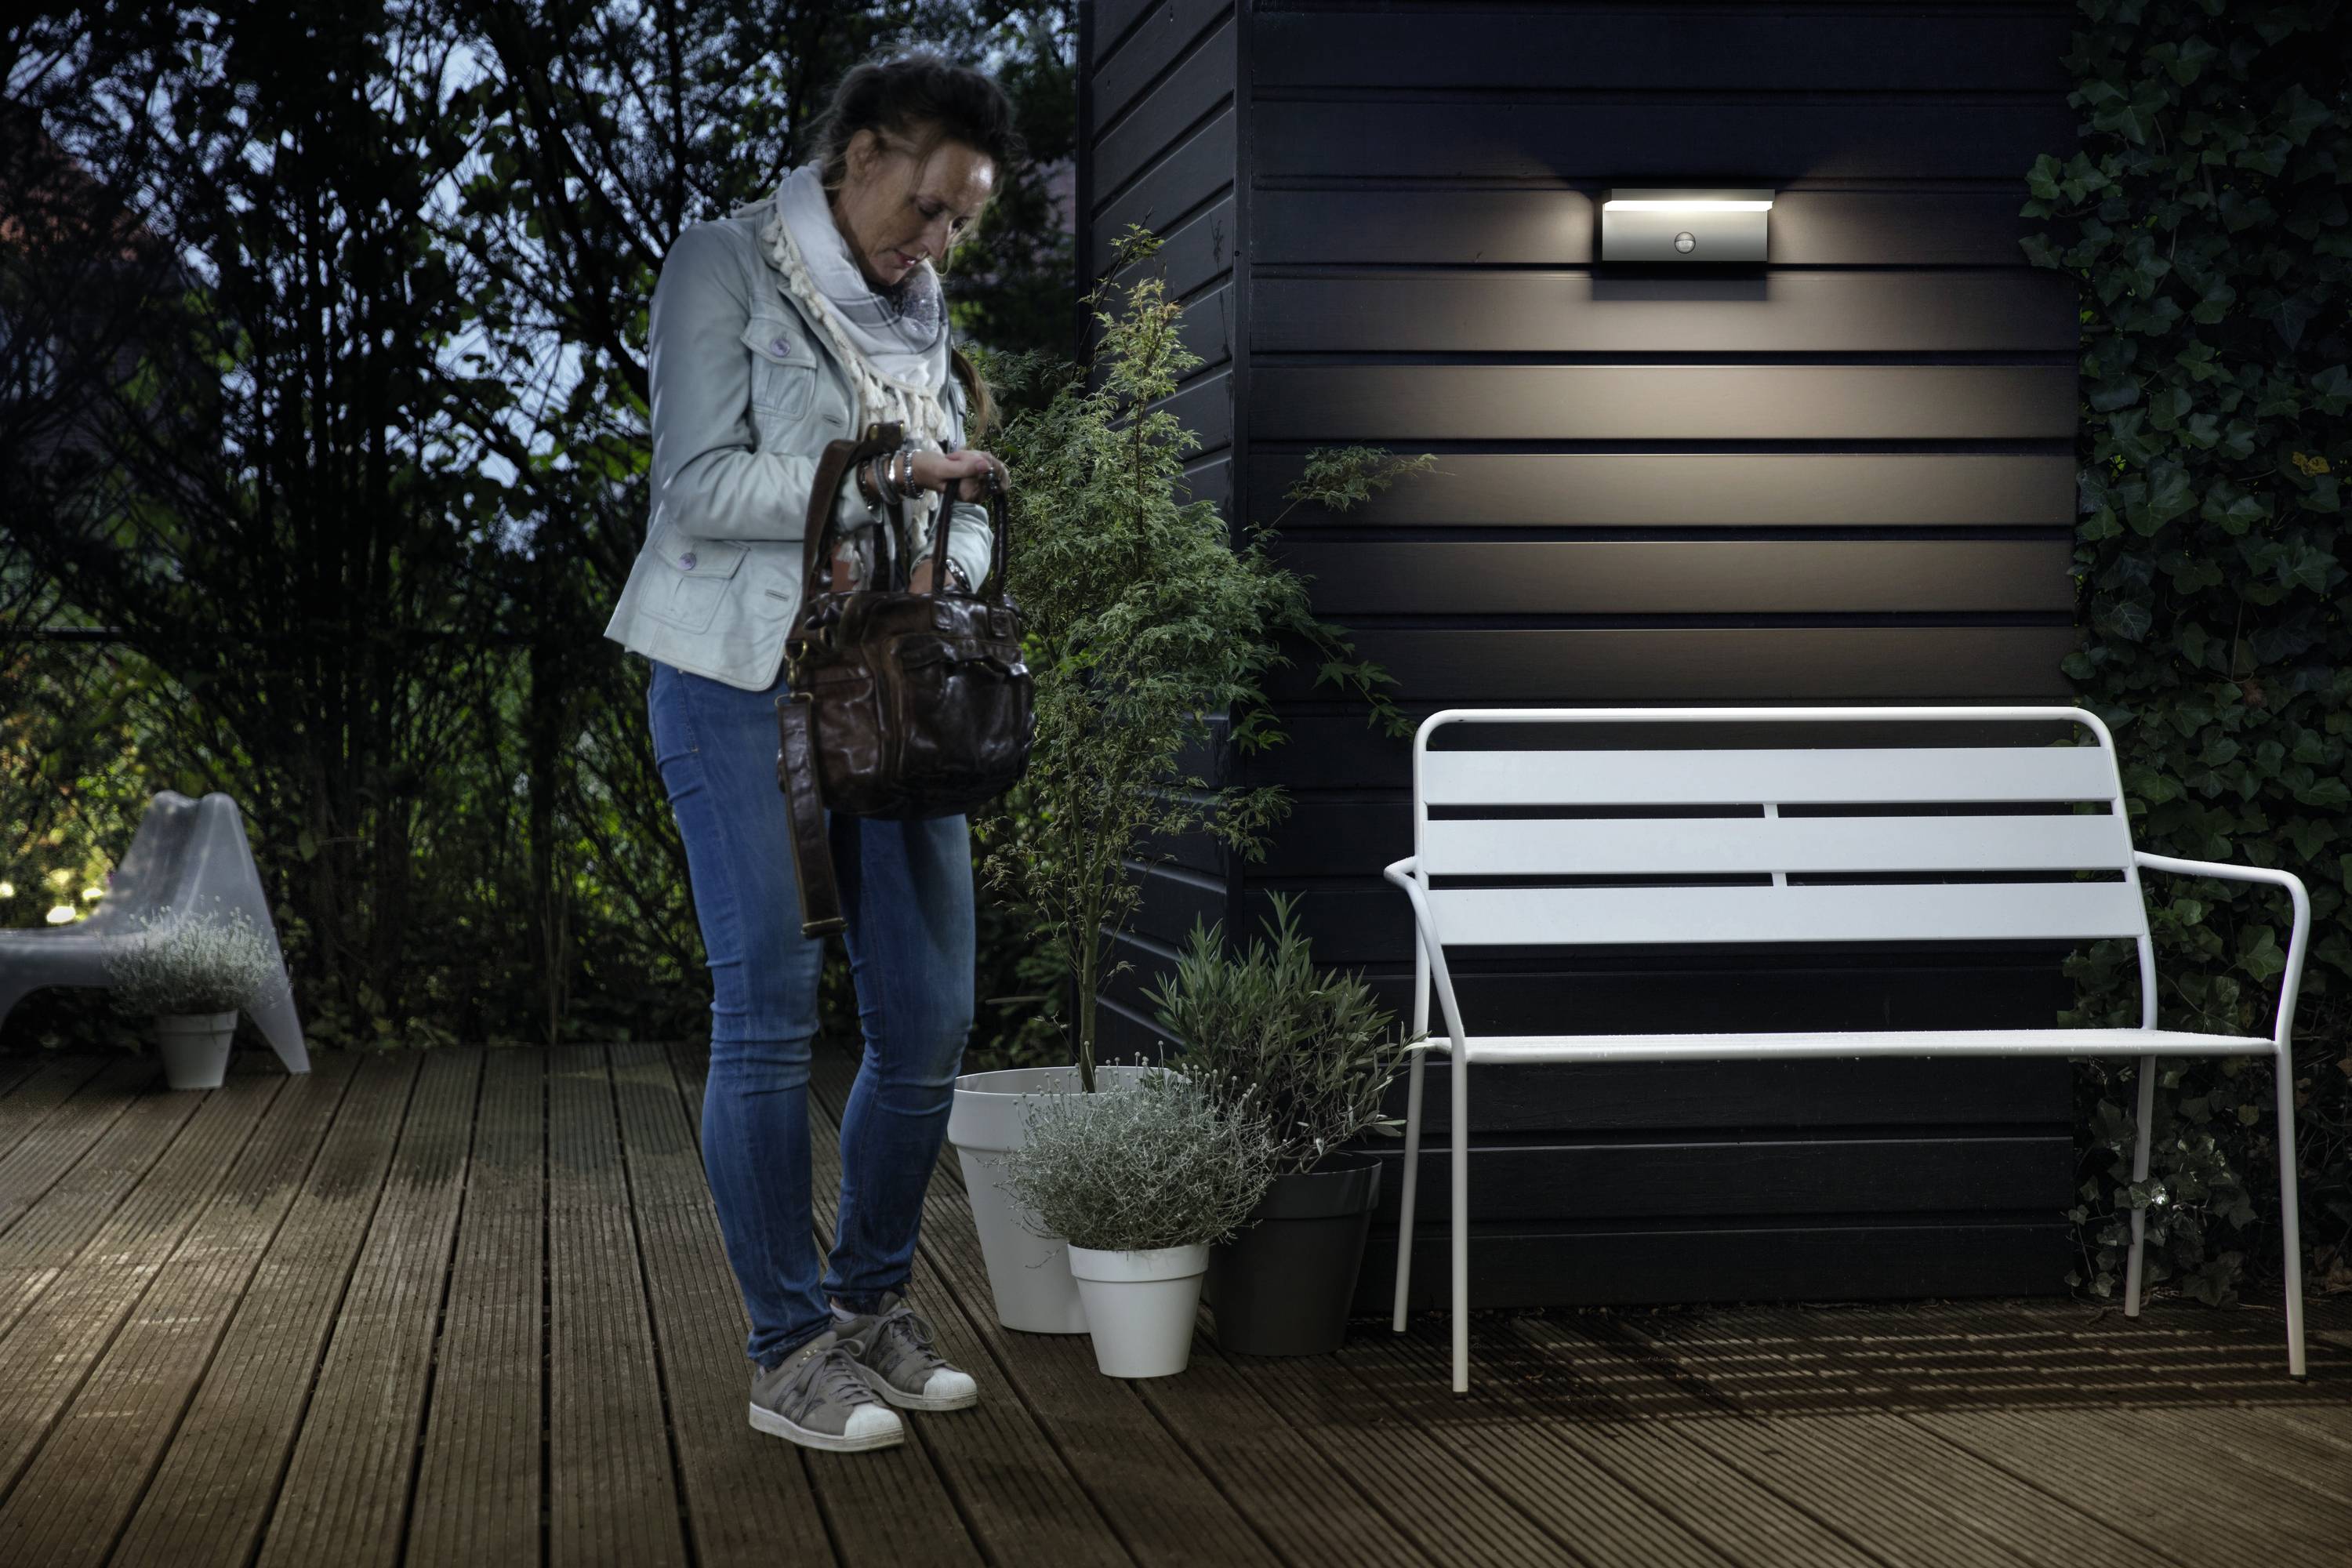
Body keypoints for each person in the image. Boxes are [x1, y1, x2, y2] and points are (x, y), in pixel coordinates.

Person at [601, 49, 1020, 1454]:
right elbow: (700, 484)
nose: (944, 241)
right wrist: (885, 476)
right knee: (771, 1009)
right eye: (934, 206)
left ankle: (870, 1309)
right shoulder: (723, 264)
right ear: (864, 155)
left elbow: (959, 511)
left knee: (930, 1021)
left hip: (893, 698)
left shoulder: (921, 309)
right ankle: (788, 1348)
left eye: (966, 220)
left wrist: (949, 525)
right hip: (735, 681)